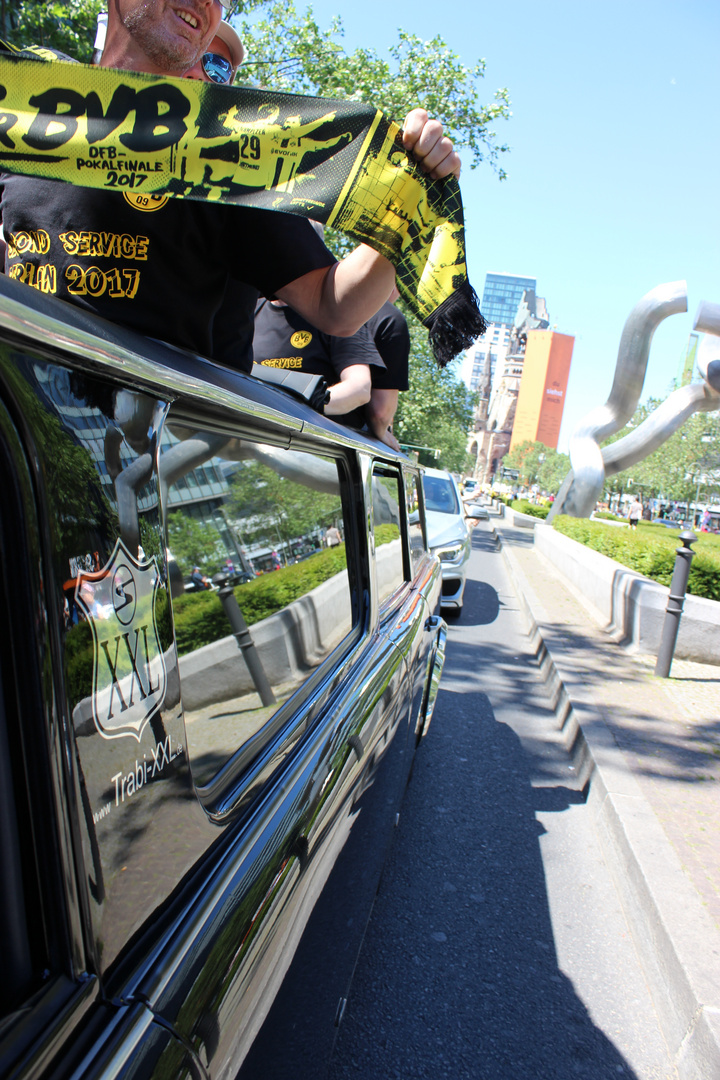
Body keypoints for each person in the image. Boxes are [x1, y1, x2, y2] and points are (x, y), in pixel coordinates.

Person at [1, 0, 460, 366]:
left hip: (134, 450)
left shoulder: (226, 148)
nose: (206, 2)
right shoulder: (25, 104)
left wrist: (410, 196)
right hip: (21, 415)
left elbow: (334, 305)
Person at [252, 296, 385, 429]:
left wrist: (311, 404)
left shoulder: (337, 315)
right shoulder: (251, 310)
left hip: (307, 437)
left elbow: (359, 388)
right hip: (249, 427)